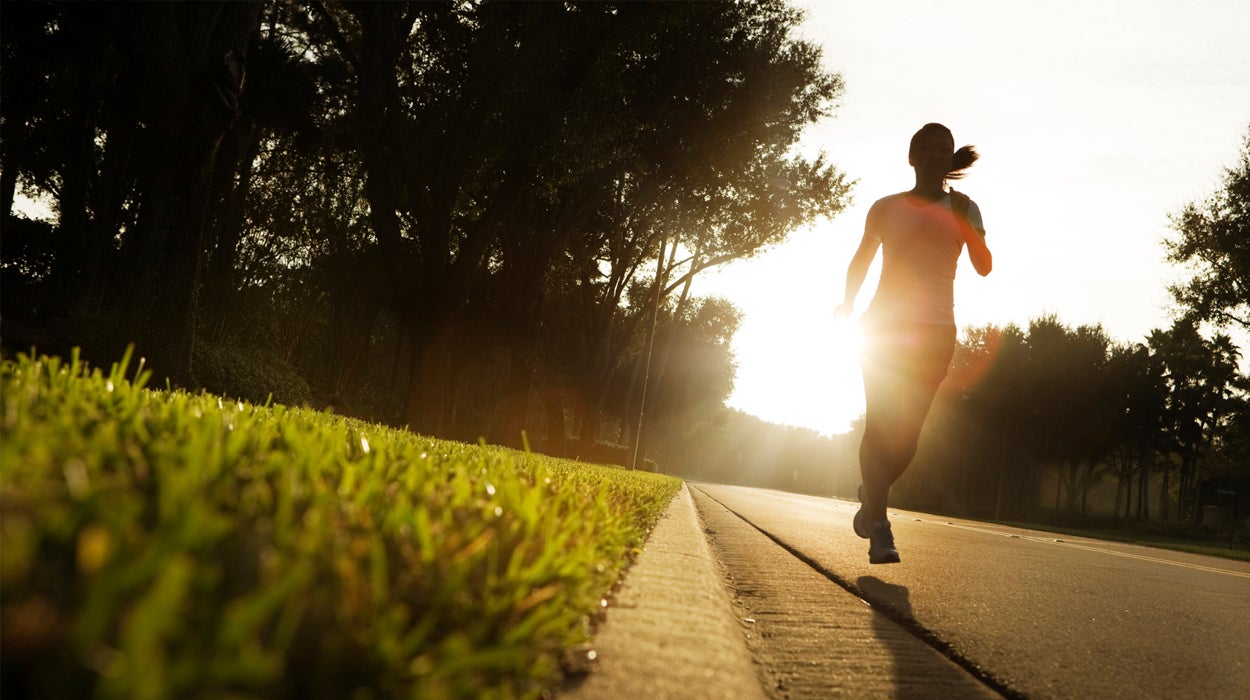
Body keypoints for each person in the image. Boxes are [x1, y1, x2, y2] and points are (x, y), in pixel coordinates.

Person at [834, 123, 993, 564]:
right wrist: (847, 304)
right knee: (881, 426)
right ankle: (880, 530)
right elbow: (861, 258)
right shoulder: (885, 208)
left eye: (945, 149)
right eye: (927, 148)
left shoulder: (966, 207)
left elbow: (984, 267)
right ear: (912, 156)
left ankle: (873, 496)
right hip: (883, 329)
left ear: (949, 159)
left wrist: (965, 223)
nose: (936, 155)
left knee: (907, 440)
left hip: (936, 333)